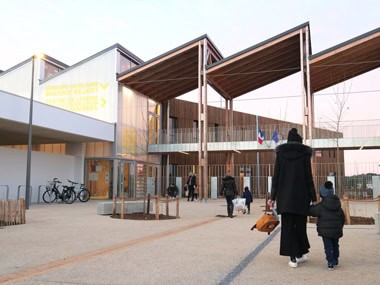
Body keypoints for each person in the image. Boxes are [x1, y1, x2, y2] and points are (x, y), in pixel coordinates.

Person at [267, 128, 317, 268]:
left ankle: (294, 257)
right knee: (300, 226)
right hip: (301, 198)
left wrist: (273, 196)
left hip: (285, 199)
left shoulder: (281, 155)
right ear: (299, 142)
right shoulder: (304, 156)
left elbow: (276, 177)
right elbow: (309, 178)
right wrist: (313, 197)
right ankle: (300, 254)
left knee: (288, 227)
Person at [309, 181, 345, 270]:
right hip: (336, 230)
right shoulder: (338, 205)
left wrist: (309, 205)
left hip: (325, 231)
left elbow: (311, 211)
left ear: (322, 194)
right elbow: (342, 217)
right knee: (335, 244)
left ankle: (330, 262)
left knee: (328, 246)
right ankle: (335, 259)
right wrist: (340, 226)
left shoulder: (321, 206)